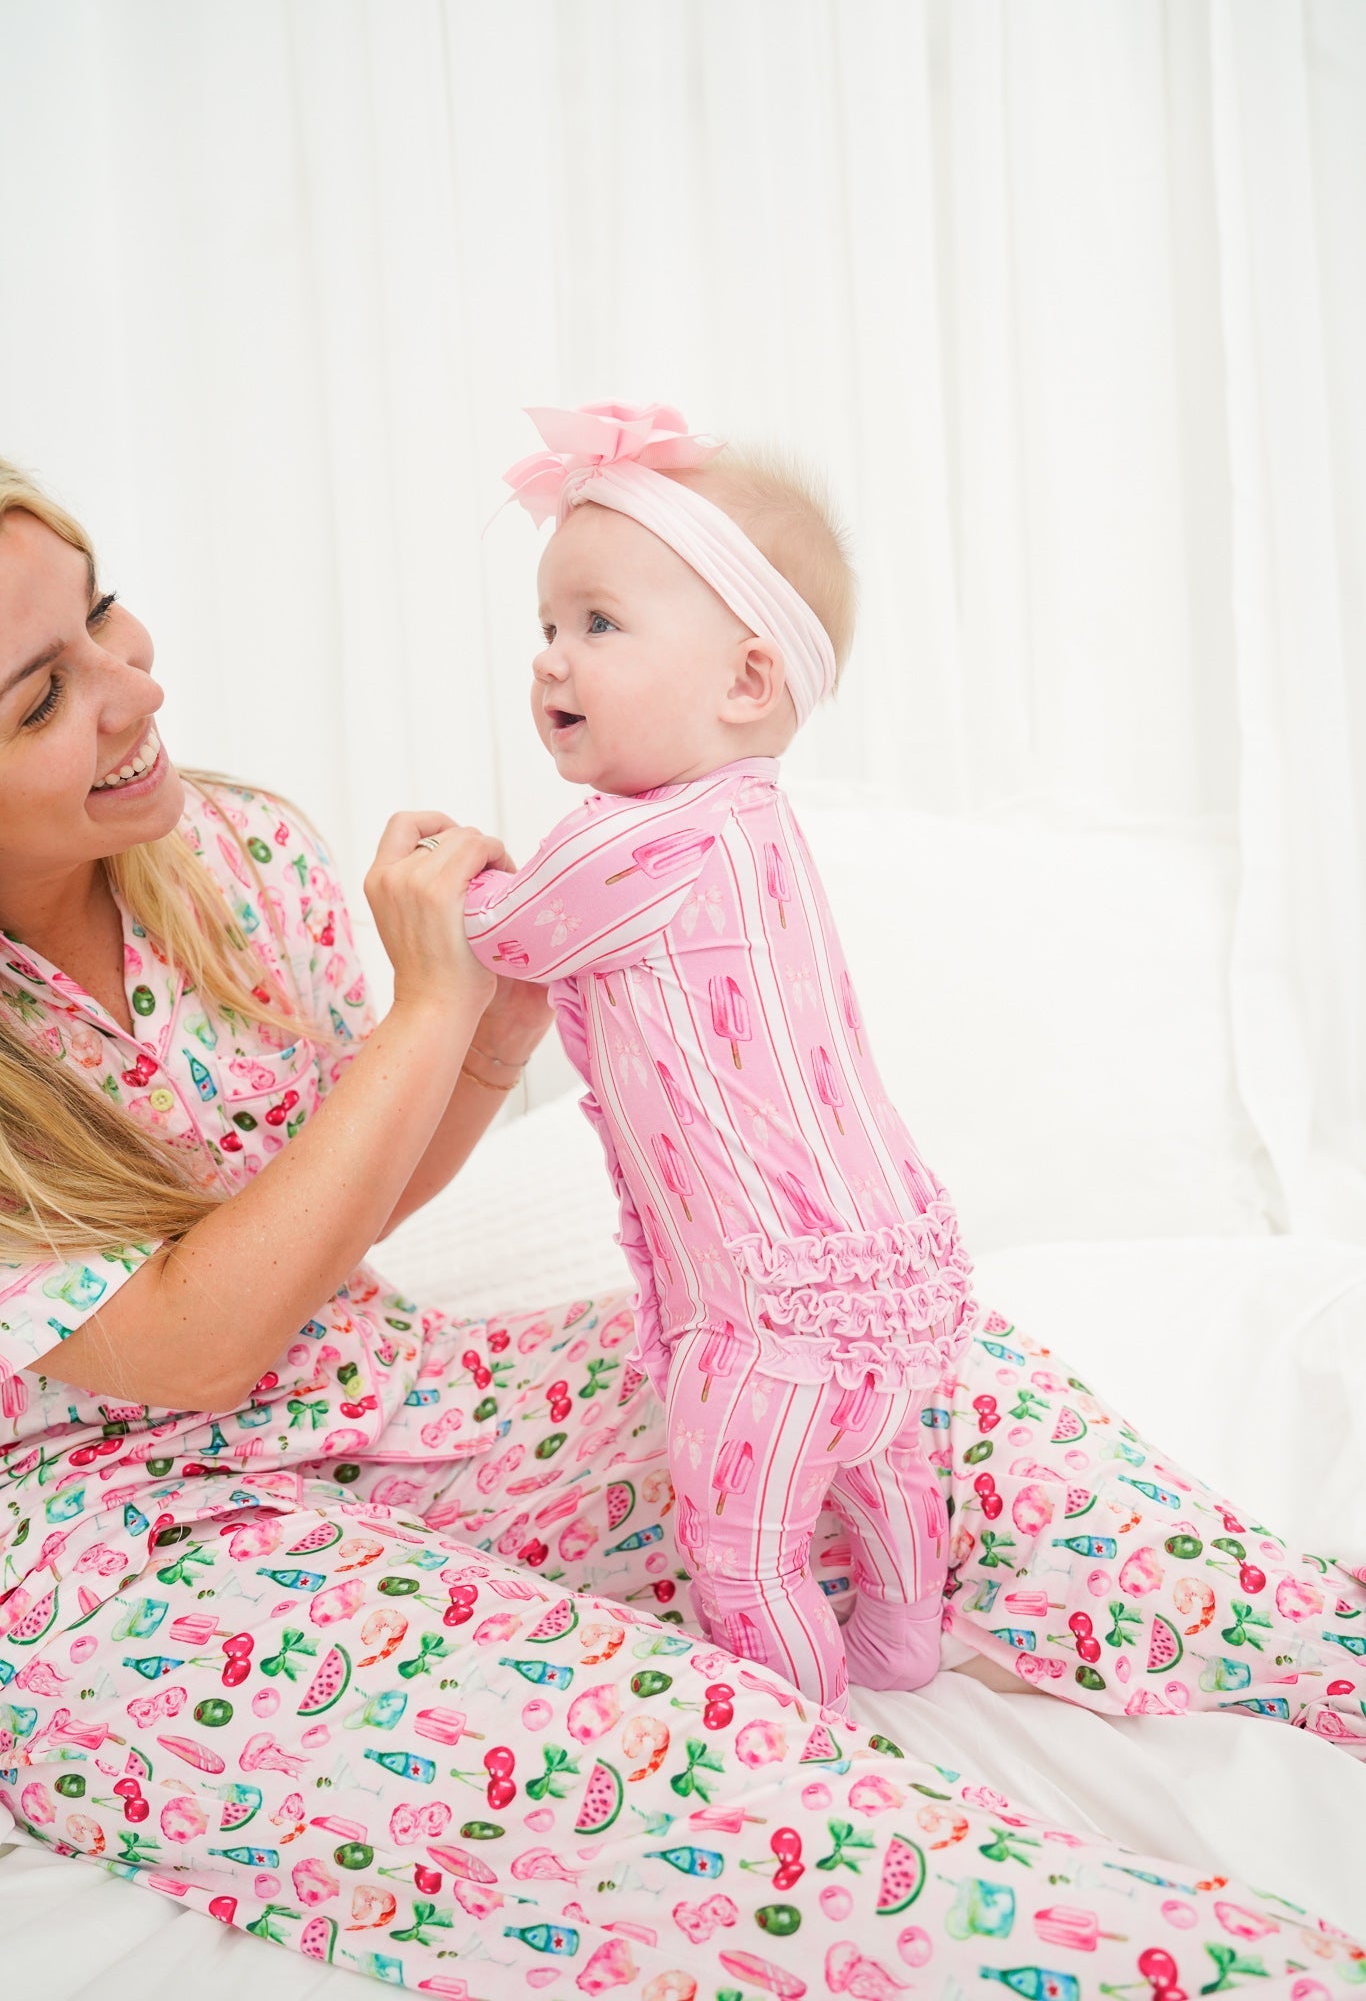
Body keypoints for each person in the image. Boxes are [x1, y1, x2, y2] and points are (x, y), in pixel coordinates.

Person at [0, 456, 1362, 1996]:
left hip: (389, 1398)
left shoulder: (232, 848)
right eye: (43, 697)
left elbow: (322, 1210)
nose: (134, 687)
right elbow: (189, 1348)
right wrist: (431, 1010)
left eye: (105, 612)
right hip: (113, 1563)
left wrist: (483, 1045)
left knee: (936, 1408)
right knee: (683, 1769)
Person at [466, 401, 956, 1709]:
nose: (551, 660)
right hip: (891, 1267)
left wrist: (446, 879)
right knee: (883, 1471)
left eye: (598, 624)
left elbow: (504, 936)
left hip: (766, 1300)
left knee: (744, 1550)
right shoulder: (756, 823)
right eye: (546, 627)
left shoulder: (633, 840)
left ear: (746, 681)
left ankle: (803, 1748)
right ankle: (905, 1648)